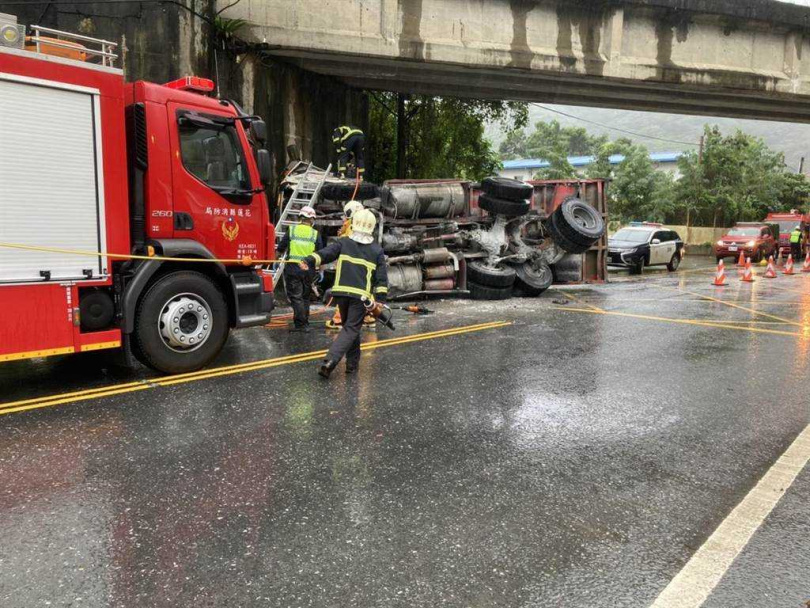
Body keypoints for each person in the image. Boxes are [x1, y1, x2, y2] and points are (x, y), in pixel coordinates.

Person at [300, 209, 388, 378]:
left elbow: (326, 254)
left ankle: (352, 366)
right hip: (360, 297)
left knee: (351, 328)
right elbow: (381, 279)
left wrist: (308, 260)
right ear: (372, 228)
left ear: (354, 224)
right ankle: (330, 361)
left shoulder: (344, 242)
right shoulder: (376, 251)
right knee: (351, 328)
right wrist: (380, 300)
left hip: (341, 293)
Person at [279, 206, 322, 332]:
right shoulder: (315, 234)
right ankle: (304, 321)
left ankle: (301, 324)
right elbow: (320, 254)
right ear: (312, 219)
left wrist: (271, 262)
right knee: (305, 297)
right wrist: (320, 270)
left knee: (296, 297)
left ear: (300, 217)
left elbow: (281, 248)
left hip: (293, 268)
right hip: (309, 269)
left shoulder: (292, 230)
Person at [326, 200, 366, 331]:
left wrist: (342, 233)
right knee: (362, 292)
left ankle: (338, 320)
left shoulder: (350, 226)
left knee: (344, 292)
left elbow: (347, 244)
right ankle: (368, 317)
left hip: (347, 265)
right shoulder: (365, 225)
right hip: (361, 265)